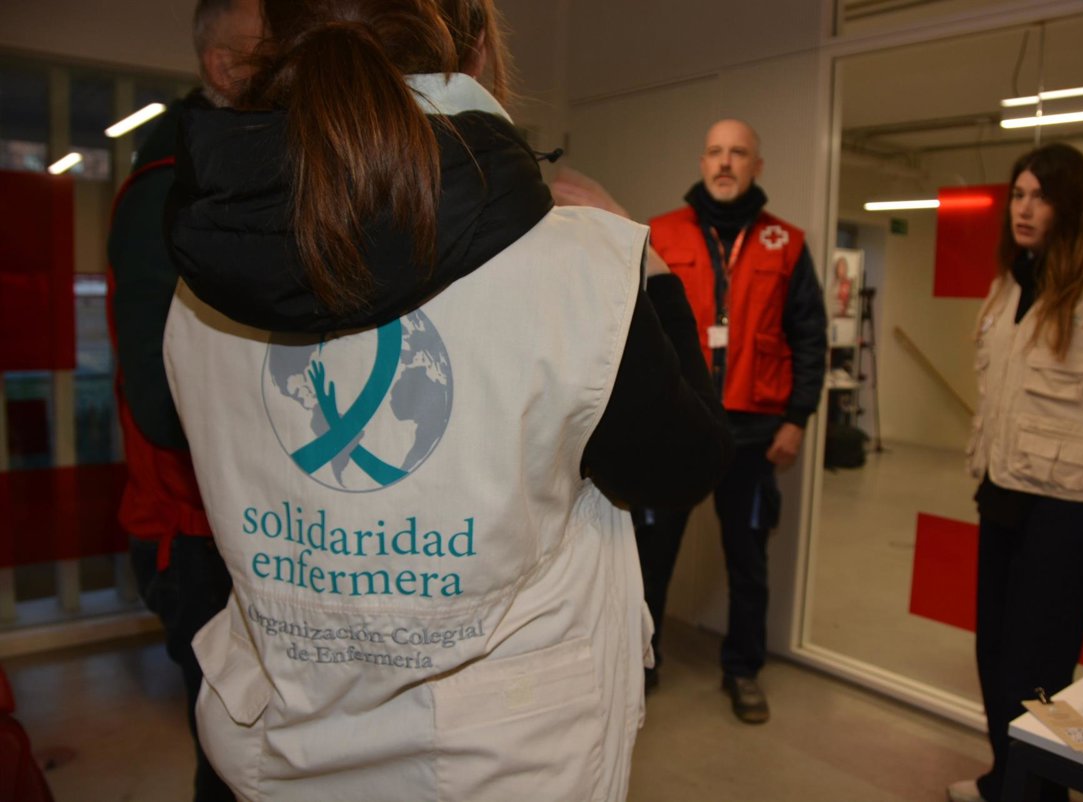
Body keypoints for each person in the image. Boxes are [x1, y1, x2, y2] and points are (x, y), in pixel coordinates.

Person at [160, 1, 733, 799]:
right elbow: (682, 465)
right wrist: (650, 273)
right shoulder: (576, 271)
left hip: (276, 749)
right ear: (480, 46)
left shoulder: (201, 280)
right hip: (504, 766)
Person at [949, 142, 1083, 802]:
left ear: (1072, 205)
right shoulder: (1011, 282)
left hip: (1070, 510)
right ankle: (1004, 780)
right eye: (1018, 194)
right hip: (1003, 495)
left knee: (1038, 668)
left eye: (1040, 196)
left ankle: (1038, 793)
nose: (1024, 208)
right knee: (994, 654)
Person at [106, 2, 261, 800]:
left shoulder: (238, 172)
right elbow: (161, 398)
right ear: (223, 67)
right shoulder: (169, 189)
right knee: (234, 766)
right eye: (276, 53)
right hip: (195, 536)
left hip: (242, 527)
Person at [636, 119, 828, 723]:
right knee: (649, 556)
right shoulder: (659, 234)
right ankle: (641, 662)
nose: (725, 162)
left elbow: (810, 336)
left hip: (753, 433)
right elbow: (633, 330)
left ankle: (742, 669)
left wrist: (797, 418)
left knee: (748, 562)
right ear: (702, 162)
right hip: (677, 426)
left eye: (738, 152)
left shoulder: (785, 243)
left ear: (756, 166)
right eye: (716, 152)